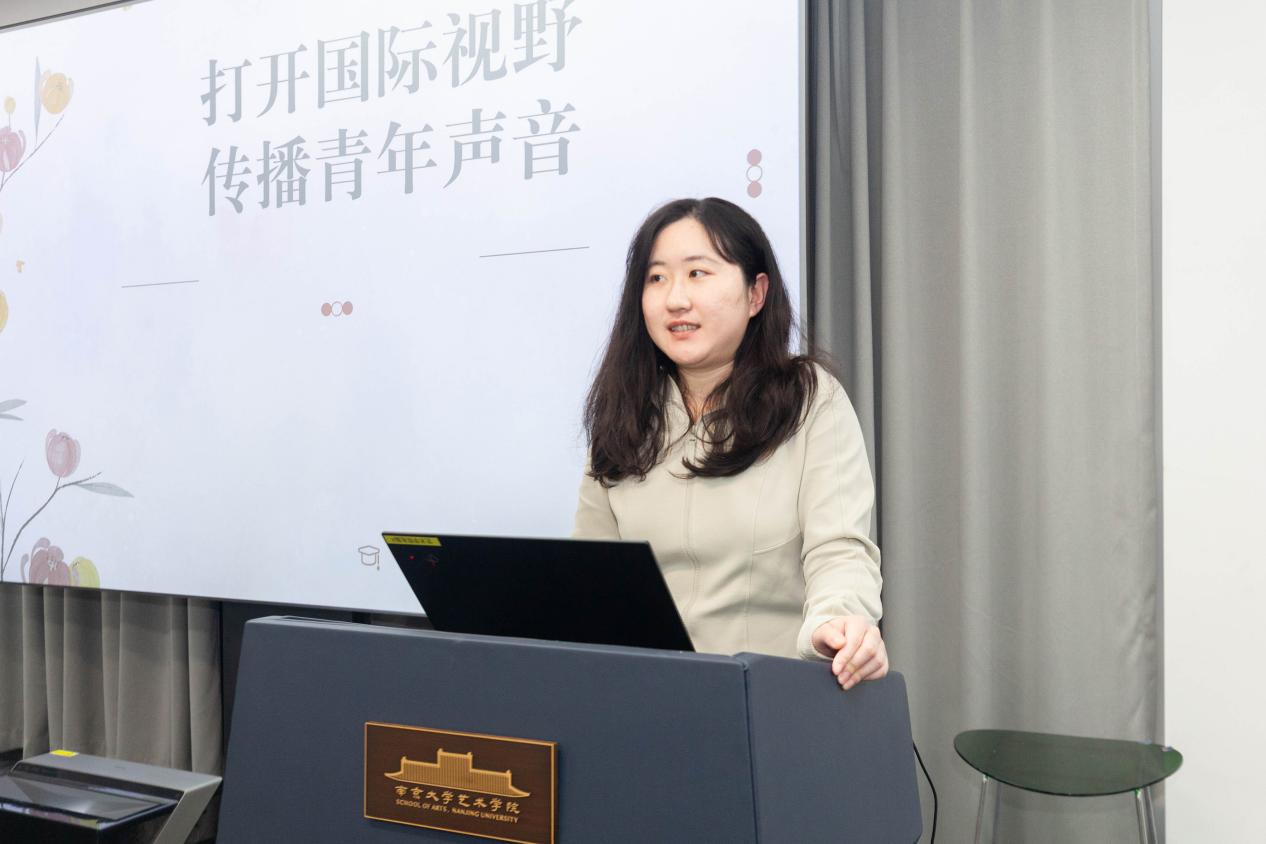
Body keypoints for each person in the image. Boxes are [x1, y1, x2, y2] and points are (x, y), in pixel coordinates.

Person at [573, 197, 887, 690]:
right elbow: (591, 578)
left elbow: (840, 549)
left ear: (755, 294)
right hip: (645, 694)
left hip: (769, 695)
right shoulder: (625, 412)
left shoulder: (808, 398)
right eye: (656, 278)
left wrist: (838, 620)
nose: (676, 299)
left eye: (697, 273)